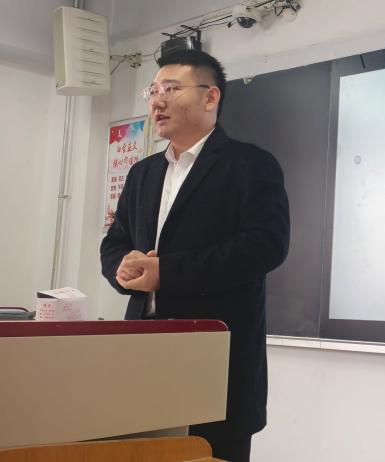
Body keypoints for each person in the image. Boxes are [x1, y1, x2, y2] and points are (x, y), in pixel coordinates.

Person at [100, 49, 289, 461]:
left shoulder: (251, 165)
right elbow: (114, 241)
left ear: (210, 97)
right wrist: (121, 266)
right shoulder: (142, 173)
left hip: (216, 360)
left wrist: (166, 273)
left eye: (171, 89)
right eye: (153, 91)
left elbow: (265, 245)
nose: (157, 101)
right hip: (142, 355)